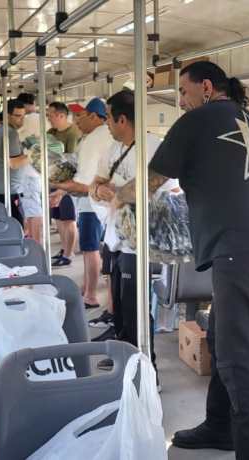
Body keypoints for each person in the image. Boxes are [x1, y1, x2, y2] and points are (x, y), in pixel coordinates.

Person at [127, 61, 249, 459]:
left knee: (237, 355)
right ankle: (220, 427)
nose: (181, 102)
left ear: (205, 87)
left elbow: (149, 183)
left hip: (241, 246)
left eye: (183, 92)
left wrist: (111, 195)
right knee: (221, 336)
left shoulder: (197, 120)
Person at [90, 89, 176, 370]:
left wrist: (118, 193)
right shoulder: (112, 150)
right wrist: (101, 191)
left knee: (136, 308)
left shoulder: (154, 148)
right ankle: (123, 360)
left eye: (109, 119)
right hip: (115, 238)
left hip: (139, 243)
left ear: (122, 120)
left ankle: (146, 369)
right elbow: (95, 185)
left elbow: (164, 191)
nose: (107, 124)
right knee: (120, 307)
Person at [51, 98, 115, 311]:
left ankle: (91, 295)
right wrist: (62, 191)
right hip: (100, 204)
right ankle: (87, 287)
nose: (77, 120)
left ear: (95, 116)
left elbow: (82, 182)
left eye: (81, 115)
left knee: (90, 249)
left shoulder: (94, 140)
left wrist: (58, 184)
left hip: (91, 205)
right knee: (96, 249)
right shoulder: (100, 137)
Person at [46, 102, 82, 267]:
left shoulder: (72, 133)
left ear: (61, 115)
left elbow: (71, 161)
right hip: (54, 179)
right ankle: (63, 249)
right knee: (58, 218)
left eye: (51, 115)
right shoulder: (51, 132)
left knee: (68, 219)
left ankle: (69, 254)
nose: (48, 118)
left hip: (68, 182)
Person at [0, 98, 27, 224]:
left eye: (23, 116)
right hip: (9, 190)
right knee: (16, 227)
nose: (22, 120)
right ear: (7, 116)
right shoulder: (10, 133)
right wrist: (33, 155)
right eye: (18, 116)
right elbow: (14, 163)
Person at [10, 147, 44, 246]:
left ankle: (36, 246)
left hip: (30, 178)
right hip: (27, 178)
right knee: (29, 213)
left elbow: (13, 164)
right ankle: (33, 243)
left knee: (33, 212)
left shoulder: (32, 147)